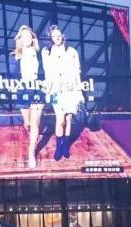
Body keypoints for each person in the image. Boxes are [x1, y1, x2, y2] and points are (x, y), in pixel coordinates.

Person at [41, 25, 84, 160]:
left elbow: (77, 73)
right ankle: (58, 147)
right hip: (55, 91)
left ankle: (65, 146)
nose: (57, 38)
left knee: (68, 119)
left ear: (63, 36)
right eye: (54, 36)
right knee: (60, 120)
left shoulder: (71, 51)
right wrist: (48, 92)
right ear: (51, 38)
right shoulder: (46, 52)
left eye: (59, 35)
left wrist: (79, 92)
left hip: (70, 90)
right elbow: (47, 73)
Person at [11, 25, 44, 169]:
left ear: (32, 38)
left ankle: (31, 153)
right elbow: (10, 75)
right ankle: (32, 134)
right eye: (23, 36)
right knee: (28, 123)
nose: (27, 38)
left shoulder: (39, 53)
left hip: (37, 89)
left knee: (35, 125)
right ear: (20, 39)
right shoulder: (15, 56)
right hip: (23, 90)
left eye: (29, 35)